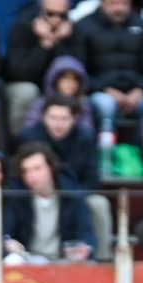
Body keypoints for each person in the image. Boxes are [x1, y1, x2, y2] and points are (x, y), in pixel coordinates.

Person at [19, 95, 112, 261]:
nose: (58, 123)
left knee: (99, 204)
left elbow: (92, 178)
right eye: (53, 118)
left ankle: (103, 258)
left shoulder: (85, 137)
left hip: (75, 194)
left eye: (64, 118)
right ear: (43, 117)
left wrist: (73, 197)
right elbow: (20, 174)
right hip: (36, 192)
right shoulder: (29, 137)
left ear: (74, 119)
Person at [72, 0, 143, 130]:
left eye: (124, 4)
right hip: (100, 91)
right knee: (106, 106)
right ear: (102, 3)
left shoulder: (142, 25)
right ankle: (105, 149)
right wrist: (105, 90)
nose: (119, 9)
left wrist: (140, 90)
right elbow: (79, 71)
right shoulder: (84, 27)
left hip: (136, 91)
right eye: (114, 3)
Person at [4, 141, 94, 263]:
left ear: (51, 167)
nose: (32, 175)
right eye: (26, 171)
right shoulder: (18, 195)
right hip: (29, 258)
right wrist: (8, 242)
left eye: (37, 168)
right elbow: (7, 231)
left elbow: (85, 230)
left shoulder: (70, 194)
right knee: (11, 261)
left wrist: (83, 248)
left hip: (64, 259)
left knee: (87, 264)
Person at [4, 0, 78, 136]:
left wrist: (57, 42)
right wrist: (44, 46)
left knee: (73, 91)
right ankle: (19, 142)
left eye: (61, 15)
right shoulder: (23, 26)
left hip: (60, 87)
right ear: (40, 11)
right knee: (26, 92)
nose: (56, 20)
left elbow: (74, 70)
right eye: (50, 14)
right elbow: (20, 73)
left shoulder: (72, 30)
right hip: (28, 84)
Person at [20, 55, 94, 136]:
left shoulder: (83, 104)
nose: (70, 83)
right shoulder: (41, 103)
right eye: (65, 79)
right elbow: (30, 130)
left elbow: (87, 132)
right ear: (55, 80)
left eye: (75, 80)